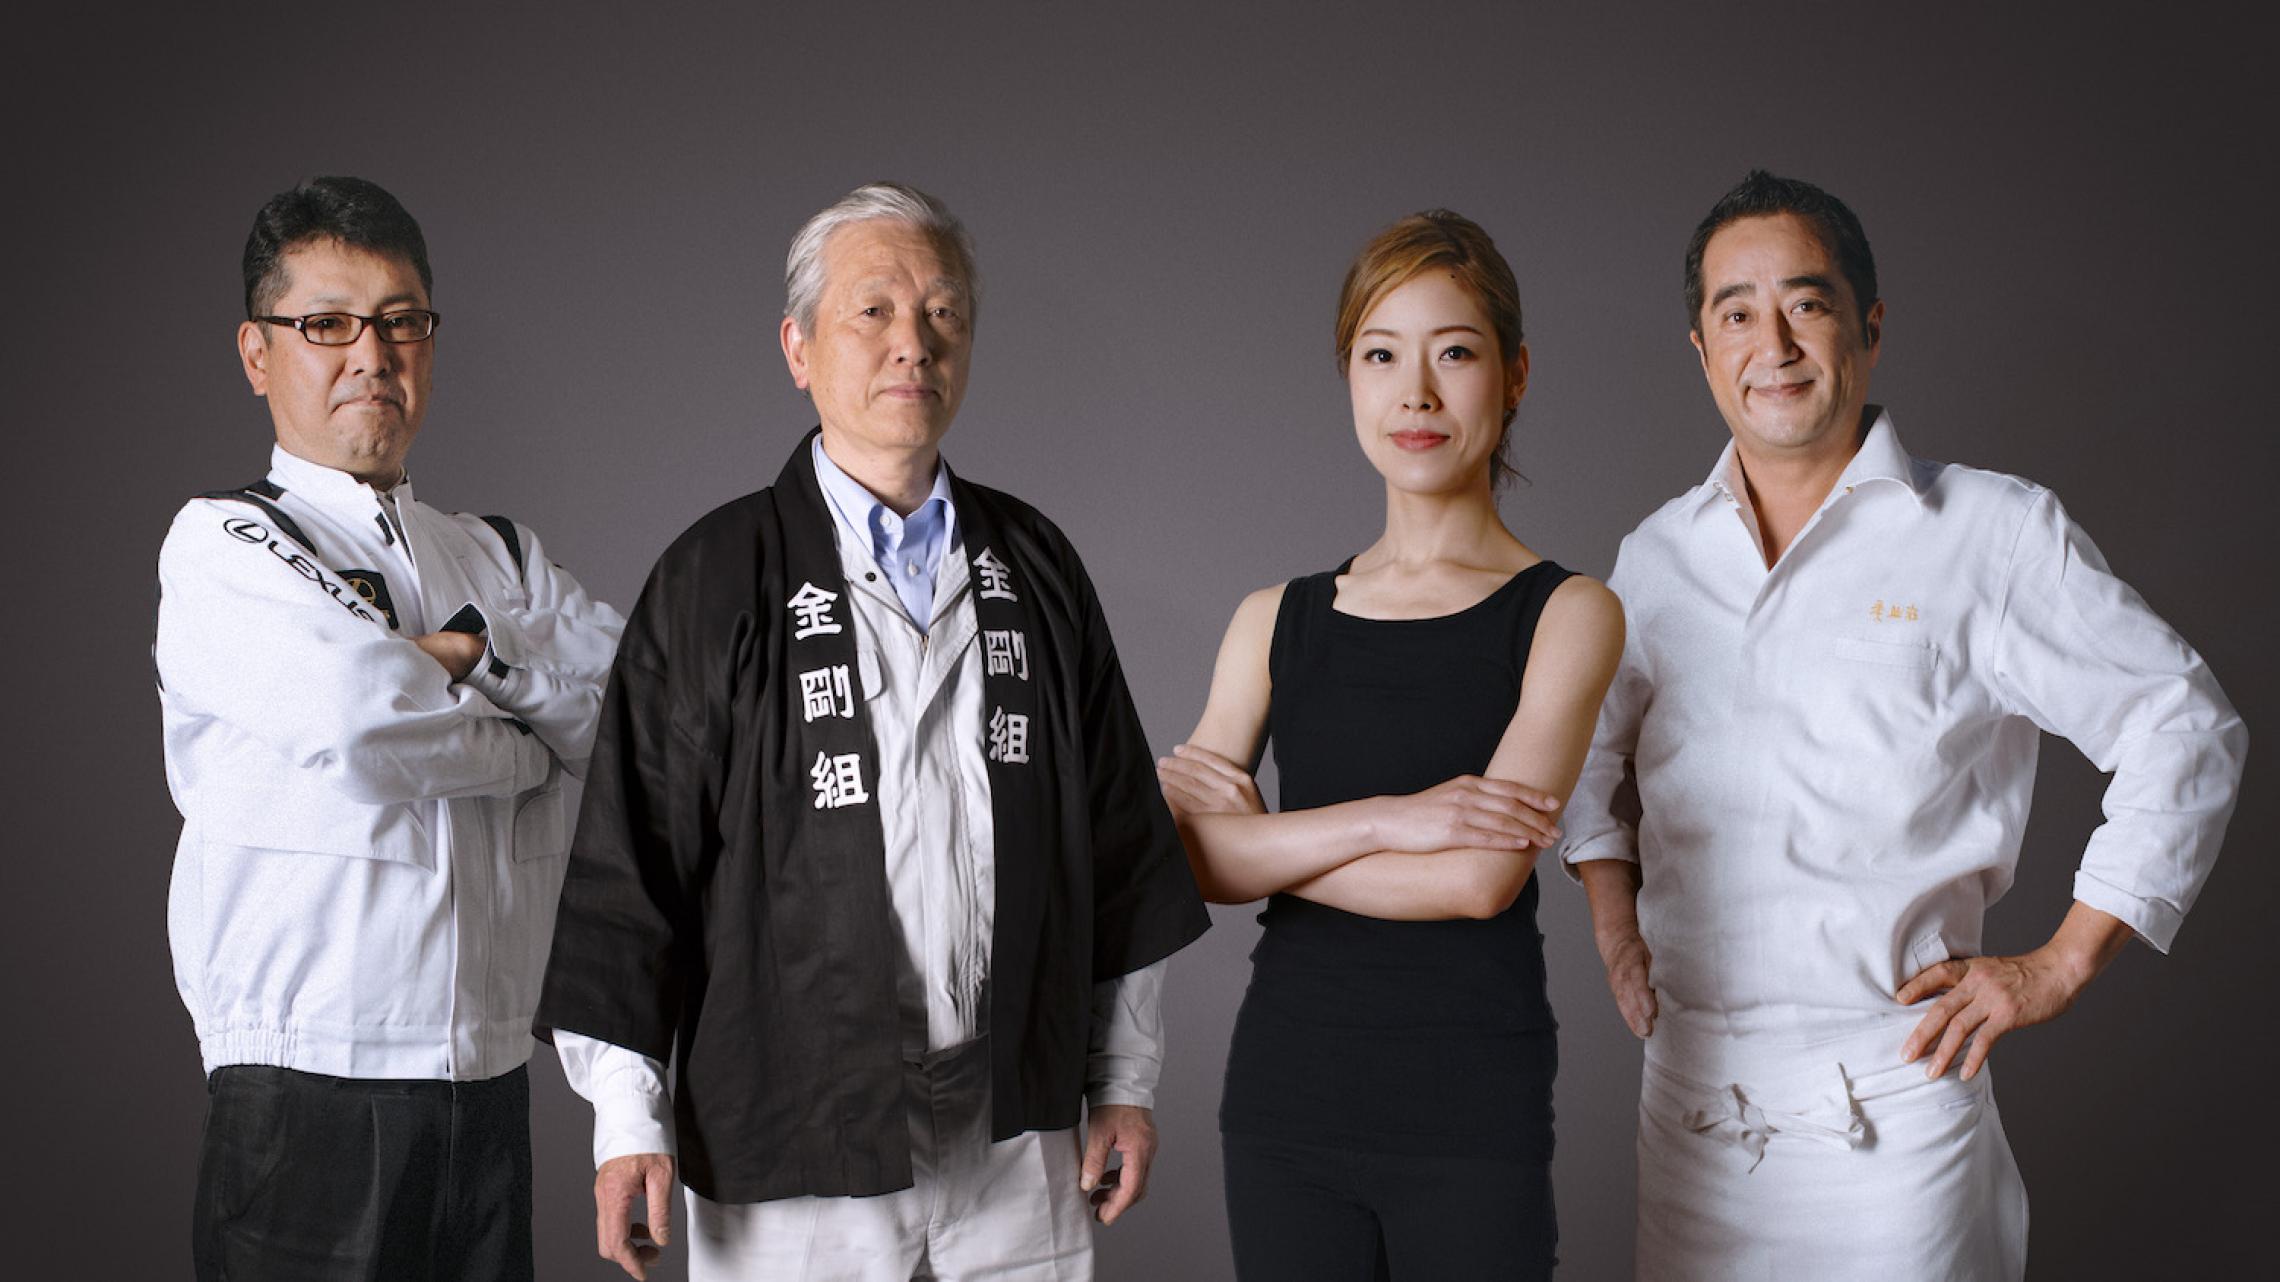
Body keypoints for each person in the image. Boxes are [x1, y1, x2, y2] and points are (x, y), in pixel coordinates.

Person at [1562, 170, 2249, 1279]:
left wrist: (2059, 965)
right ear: (1701, 348)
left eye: (1808, 303)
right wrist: (1612, 926)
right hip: (1689, 1101)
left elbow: (2185, 723)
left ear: (1868, 327)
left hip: (1894, 1095)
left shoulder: (1991, 532)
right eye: (1737, 313)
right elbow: (1588, 762)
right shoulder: (1657, 556)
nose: (1772, 342)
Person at [534, 181, 1211, 1281]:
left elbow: (1119, 845)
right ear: (798, 347)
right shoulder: (717, 577)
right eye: (875, 312)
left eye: (943, 314)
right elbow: (629, 869)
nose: (915, 344)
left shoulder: (1033, 564)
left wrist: (1122, 1078)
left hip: (1012, 1119)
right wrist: (626, 1120)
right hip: (794, 1125)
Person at [156, 175, 625, 1281]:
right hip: (307, 1092)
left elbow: (627, 717)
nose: (371, 353)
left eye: (401, 321)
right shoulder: (229, 544)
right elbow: (362, 722)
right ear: (258, 353)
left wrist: (465, 655)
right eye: (326, 324)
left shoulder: (497, 553)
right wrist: (524, 735)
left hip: (491, 1079)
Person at [1158, 210, 1623, 1281]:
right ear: (1350, 378)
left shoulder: (1568, 611)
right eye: (1381, 356)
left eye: (1453, 353)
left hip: (1469, 1109)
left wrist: (1267, 841)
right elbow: (1187, 862)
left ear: (1513, 373)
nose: (1415, 393)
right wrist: (1390, 818)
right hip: (1284, 1101)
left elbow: (1476, 878)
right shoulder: (1273, 616)